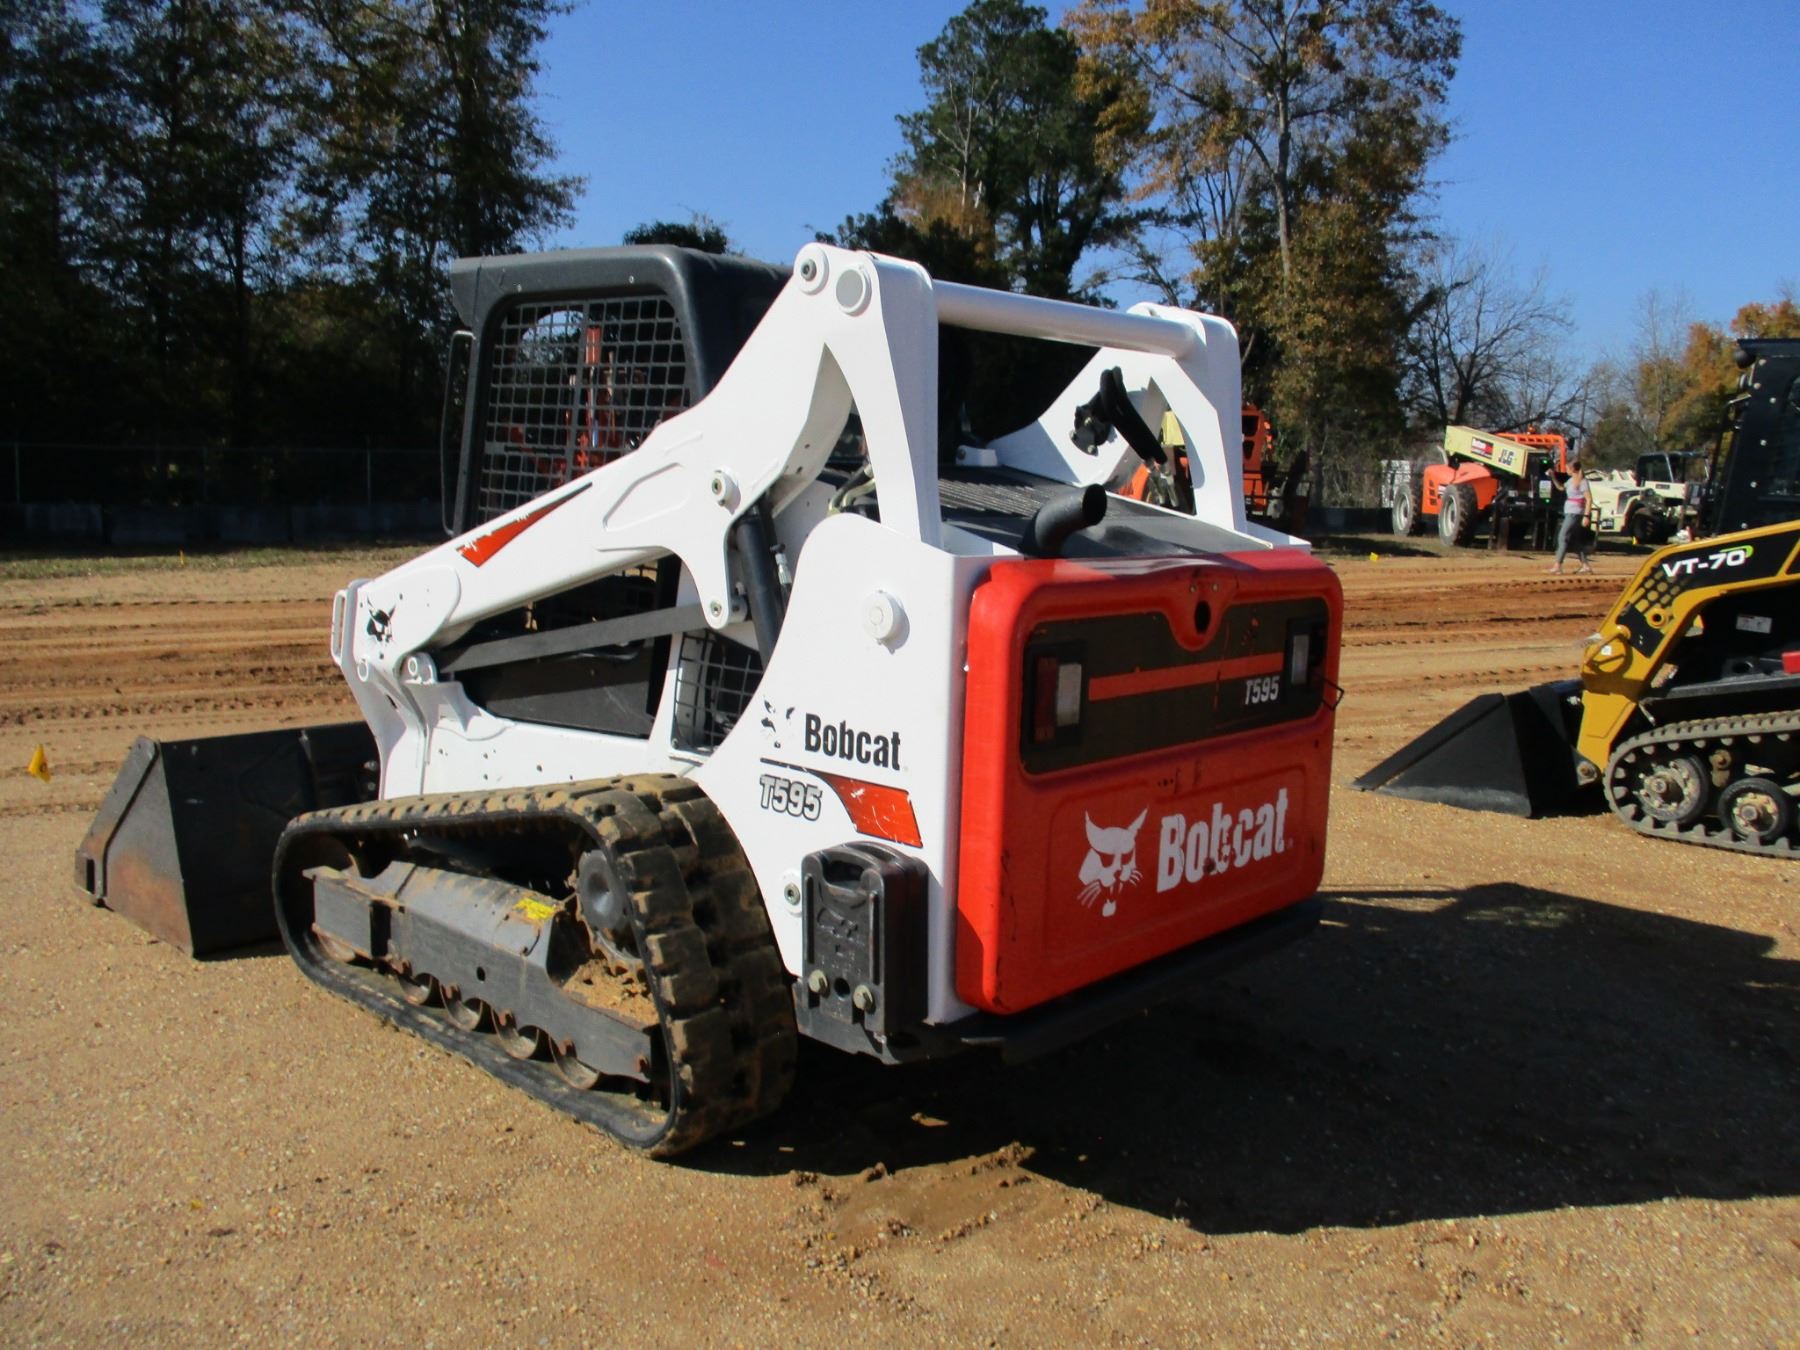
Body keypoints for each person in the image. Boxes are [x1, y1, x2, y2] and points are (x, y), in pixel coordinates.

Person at [1549, 461, 1593, 574]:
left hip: (1575, 513)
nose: (1566, 470)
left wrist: (1586, 516)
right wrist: (1553, 476)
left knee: (1562, 536)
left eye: (1567, 468)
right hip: (1570, 512)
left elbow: (1588, 499)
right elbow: (1560, 488)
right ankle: (1585, 565)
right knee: (1574, 541)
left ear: (1573, 469)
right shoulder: (1570, 481)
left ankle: (1558, 565)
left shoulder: (1583, 482)